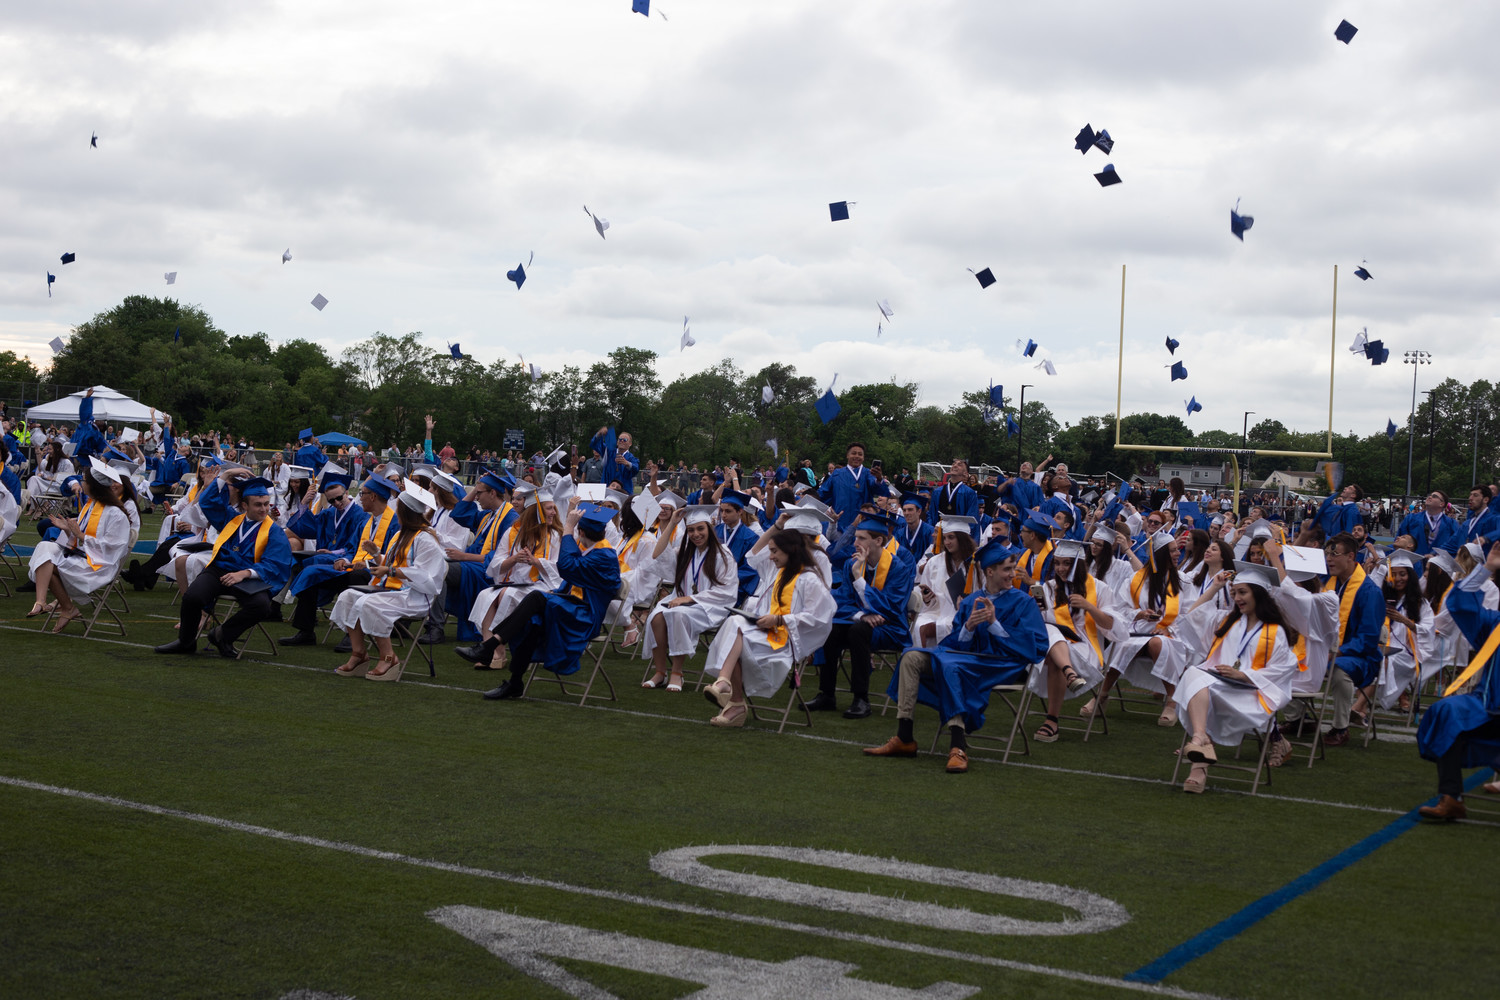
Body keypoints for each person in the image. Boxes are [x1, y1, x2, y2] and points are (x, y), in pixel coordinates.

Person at [864, 538, 1048, 773]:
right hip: (966, 660)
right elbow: (955, 646)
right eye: (1007, 569)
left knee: (950, 666)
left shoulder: (1023, 603)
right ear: (989, 572)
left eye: (1012, 569)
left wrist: (994, 624)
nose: (1012, 574)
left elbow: (1037, 646)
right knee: (911, 657)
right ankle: (904, 736)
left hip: (1002, 665)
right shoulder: (971, 601)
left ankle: (958, 745)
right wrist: (968, 628)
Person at [1172, 562, 1301, 793]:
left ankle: (1199, 753)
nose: (1237, 598)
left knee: (1196, 683)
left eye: (1243, 592)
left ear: (1258, 594)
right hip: (1219, 687)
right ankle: (1201, 742)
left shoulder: (1274, 631)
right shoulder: (1228, 620)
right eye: (1234, 593)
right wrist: (1215, 587)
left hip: (1250, 695)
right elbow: (1191, 616)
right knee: (1194, 673)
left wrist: (1243, 675)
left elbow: (1285, 668)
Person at [474, 502, 623, 700]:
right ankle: (514, 681)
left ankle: (490, 645)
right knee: (532, 623)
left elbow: (567, 566)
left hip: (585, 617)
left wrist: (568, 528)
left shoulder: (604, 555)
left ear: (582, 532)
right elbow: (571, 580)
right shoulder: (594, 551)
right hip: (572, 608)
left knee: (536, 597)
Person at [700, 529, 836, 728]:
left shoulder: (809, 579)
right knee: (734, 624)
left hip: (786, 642)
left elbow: (820, 616)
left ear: (791, 550)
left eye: (774, 552)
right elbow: (754, 556)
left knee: (734, 633)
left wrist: (780, 620)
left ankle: (729, 693)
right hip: (767, 634)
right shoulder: (781, 573)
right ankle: (727, 689)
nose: (770, 556)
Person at [153, 477, 293, 657]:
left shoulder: (274, 532)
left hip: (249, 578)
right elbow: (208, 503)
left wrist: (244, 573)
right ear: (244, 506)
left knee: (262, 606)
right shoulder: (232, 520)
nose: (264, 509)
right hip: (220, 570)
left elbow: (275, 564)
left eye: (266, 504)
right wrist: (224, 478)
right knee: (192, 597)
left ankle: (222, 635)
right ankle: (186, 641)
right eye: (258, 504)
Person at [330, 481, 447, 682]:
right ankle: (359, 654)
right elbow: (393, 563)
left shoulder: (426, 539)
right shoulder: (401, 535)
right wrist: (377, 555)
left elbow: (427, 577)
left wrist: (392, 570)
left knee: (370, 603)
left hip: (415, 595)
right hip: (392, 590)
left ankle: (389, 658)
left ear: (407, 513)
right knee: (347, 596)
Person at [1416, 541, 1500, 821]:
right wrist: (1487, 568)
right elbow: (1461, 604)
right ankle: (1452, 797)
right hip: (1487, 706)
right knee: (1446, 711)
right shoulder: (1494, 626)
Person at [806, 512, 917, 719]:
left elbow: (891, 608)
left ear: (878, 540)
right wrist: (860, 615)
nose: (855, 542)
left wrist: (859, 578)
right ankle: (827, 694)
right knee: (832, 629)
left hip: (891, 628)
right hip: (861, 623)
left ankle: (861, 698)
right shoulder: (851, 564)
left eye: (861, 538)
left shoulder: (898, 568)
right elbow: (840, 600)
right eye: (856, 537)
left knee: (858, 631)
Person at [1090, 532, 1201, 726]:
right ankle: (1102, 694)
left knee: (1158, 643)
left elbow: (1190, 613)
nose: (1178, 553)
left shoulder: (1182, 581)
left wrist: (1169, 629)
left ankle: (1171, 701)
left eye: (1177, 550)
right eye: (1174, 550)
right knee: (1123, 644)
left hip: (1172, 633)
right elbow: (1120, 608)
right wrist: (1138, 614)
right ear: (1161, 555)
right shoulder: (1137, 580)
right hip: (1138, 629)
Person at [279, 474, 401, 648]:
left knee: (357, 576)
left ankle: (352, 634)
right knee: (310, 573)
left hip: (379, 575)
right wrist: (343, 559)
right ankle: (305, 631)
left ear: (373, 497)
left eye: (362, 493)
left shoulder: (394, 524)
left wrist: (366, 563)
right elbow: (352, 548)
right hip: (354, 568)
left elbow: (393, 558)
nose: (359, 497)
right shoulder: (367, 522)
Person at [455, 483, 563, 668]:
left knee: (506, 594)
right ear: (536, 511)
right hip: (515, 584)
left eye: (553, 508)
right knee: (486, 595)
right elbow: (496, 565)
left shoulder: (554, 536)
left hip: (542, 586)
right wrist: (514, 560)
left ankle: (491, 649)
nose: (553, 512)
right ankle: (495, 653)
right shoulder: (514, 532)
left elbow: (560, 569)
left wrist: (536, 562)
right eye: (549, 508)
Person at [640, 505, 738, 691]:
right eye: (691, 530)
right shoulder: (685, 552)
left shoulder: (722, 554)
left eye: (700, 529)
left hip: (710, 606)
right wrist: (671, 524)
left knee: (678, 614)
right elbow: (657, 555)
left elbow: (727, 590)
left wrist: (689, 599)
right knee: (656, 616)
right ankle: (660, 672)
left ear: (709, 528)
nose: (696, 534)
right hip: (681, 600)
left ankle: (677, 673)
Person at [26, 458, 132, 630]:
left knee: (48, 563)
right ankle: (43, 601)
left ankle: (66, 608)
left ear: (93, 485)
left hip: (99, 565)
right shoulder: (90, 507)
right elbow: (77, 539)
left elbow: (112, 548)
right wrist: (67, 529)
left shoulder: (115, 514)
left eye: (84, 480)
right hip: (81, 555)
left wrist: (80, 534)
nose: (82, 483)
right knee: (45, 548)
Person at [1031, 538, 1119, 743]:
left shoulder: (1099, 588)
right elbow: (1039, 624)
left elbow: (1110, 625)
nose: (1061, 568)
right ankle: (1068, 672)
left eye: (1067, 563)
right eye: (1057, 563)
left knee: (1053, 650)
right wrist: (1036, 611)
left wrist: (1090, 607)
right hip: (1054, 646)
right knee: (1050, 630)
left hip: (1084, 647)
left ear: (1078, 563)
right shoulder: (1049, 588)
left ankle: (1052, 720)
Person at [421, 469, 518, 645]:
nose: (476, 498)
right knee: (430, 564)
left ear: (493, 493)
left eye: (479, 493)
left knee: (439, 569)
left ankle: (435, 627)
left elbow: (500, 559)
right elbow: (459, 514)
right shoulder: (488, 515)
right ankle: (424, 621)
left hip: (486, 570)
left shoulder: (510, 518)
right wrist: (475, 489)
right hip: (471, 565)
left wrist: (464, 556)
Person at [1312, 532, 1386, 747]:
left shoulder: (1369, 591)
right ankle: (1298, 717)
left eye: (1334, 554)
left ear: (1351, 556)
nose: (1329, 559)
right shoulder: (1328, 583)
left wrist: (1338, 651)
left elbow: (1369, 638)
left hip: (1360, 657)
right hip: (1327, 651)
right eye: (1327, 554)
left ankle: (1340, 727)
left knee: (1338, 668)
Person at [912, 516, 977, 648]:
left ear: (962, 538)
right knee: (919, 625)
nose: (947, 542)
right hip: (936, 611)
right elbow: (923, 591)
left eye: (951, 537)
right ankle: (922, 662)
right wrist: (926, 598)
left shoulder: (976, 564)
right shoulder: (935, 562)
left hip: (964, 614)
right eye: (945, 537)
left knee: (945, 625)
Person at [818, 442, 886, 532]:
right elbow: (822, 493)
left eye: (860, 454)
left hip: (863, 525)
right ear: (847, 455)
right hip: (840, 522)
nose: (857, 456)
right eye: (854, 453)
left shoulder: (868, 474)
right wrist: (808, 496)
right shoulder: (837, 474)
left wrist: (878, 478)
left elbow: (875, 486)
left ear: (863, 457)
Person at [1397, 491, 1462, 556]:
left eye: (1434, 496)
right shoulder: (1411, 519)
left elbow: (1455, 545)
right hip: (1414, 562)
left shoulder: (1451, 524)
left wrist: (1435, 555)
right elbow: (1399, 541)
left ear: (1442, 504)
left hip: (1438, 563)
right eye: (1429, 495)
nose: (1429, 497)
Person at [24, 441, 74, 512]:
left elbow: (69, 478)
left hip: (59, 487)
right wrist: (38, 453)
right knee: (34, 478)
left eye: (50, 449)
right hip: (50, 485)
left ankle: (36, 503)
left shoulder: (66, 463)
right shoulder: (51, 460)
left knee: (35, 481)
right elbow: (43, 469)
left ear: (57, 450)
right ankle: (32, 500)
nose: (48, 451)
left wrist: (53, 478)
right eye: (48, 449)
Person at [895, 493, 935, 561]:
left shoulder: (930, 532)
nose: (906, 513)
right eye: (904, 510)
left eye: (910, 510)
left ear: (919, 511)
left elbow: (931, 556)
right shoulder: (899, 534)